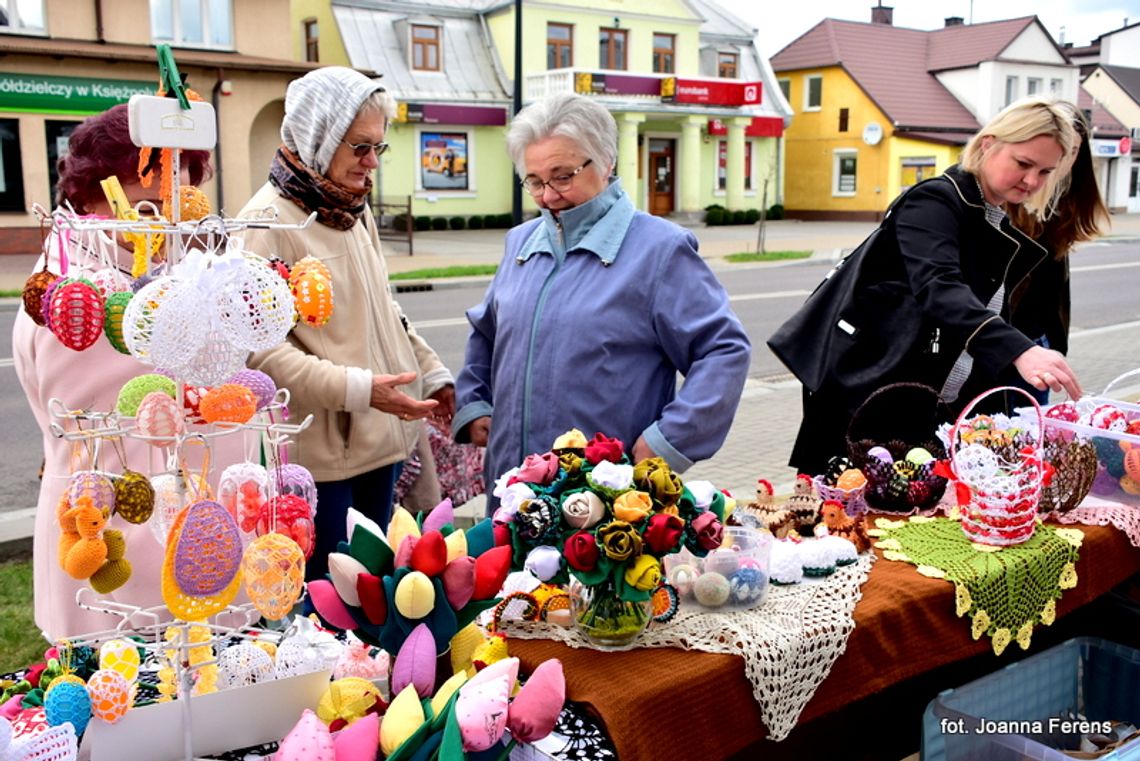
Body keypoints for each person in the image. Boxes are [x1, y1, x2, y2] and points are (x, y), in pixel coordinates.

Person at [453, 92, 751, 505]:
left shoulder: (659, 249)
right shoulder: (520, 242)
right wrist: (474, 403)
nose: (547, 196)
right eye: (534, 180)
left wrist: (666, 442)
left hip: (606, 504)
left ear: (606, 162)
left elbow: (723, 350)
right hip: (511, 490)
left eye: (563, 175)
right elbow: (487, 331)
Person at [783, 97, 1084, 475]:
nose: (1032, 181)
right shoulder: (935, 200)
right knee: (847, 519)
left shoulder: (990, 218)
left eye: (1045, 171)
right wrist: (1019, 350)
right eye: (1024, 164)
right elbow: (939, 287)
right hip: (865, 397)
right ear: (989, 143)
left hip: (919, 407)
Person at [238, 67, 454, 580]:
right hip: (322, 463)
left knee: (378, 600)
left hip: (382, 444)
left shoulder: (351, 210)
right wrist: (360, 390)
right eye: (360, 147)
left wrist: (433, 371)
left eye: (380, 147)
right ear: (320, 136)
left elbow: (387, 310)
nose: (372, 163)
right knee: (329, 610)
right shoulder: (264, 225)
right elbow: (261, 355)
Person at [12, 104, 216, 639]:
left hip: (172, 538)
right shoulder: (82, 291)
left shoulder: (144, 267)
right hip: (117, 546)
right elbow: (102, 433)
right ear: (88, 196)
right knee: (130, 694)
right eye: (144, 206)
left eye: (180, 204)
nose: (166, 225)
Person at [1008, 104, 1110, 402]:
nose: (1060, 160)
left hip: (1039, 345)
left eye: (1072, 150)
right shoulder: (1008, 200)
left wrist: (1053, 345)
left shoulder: (1062, 206)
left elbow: (1053, 290)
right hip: (1001, 349)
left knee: (1031, 435)